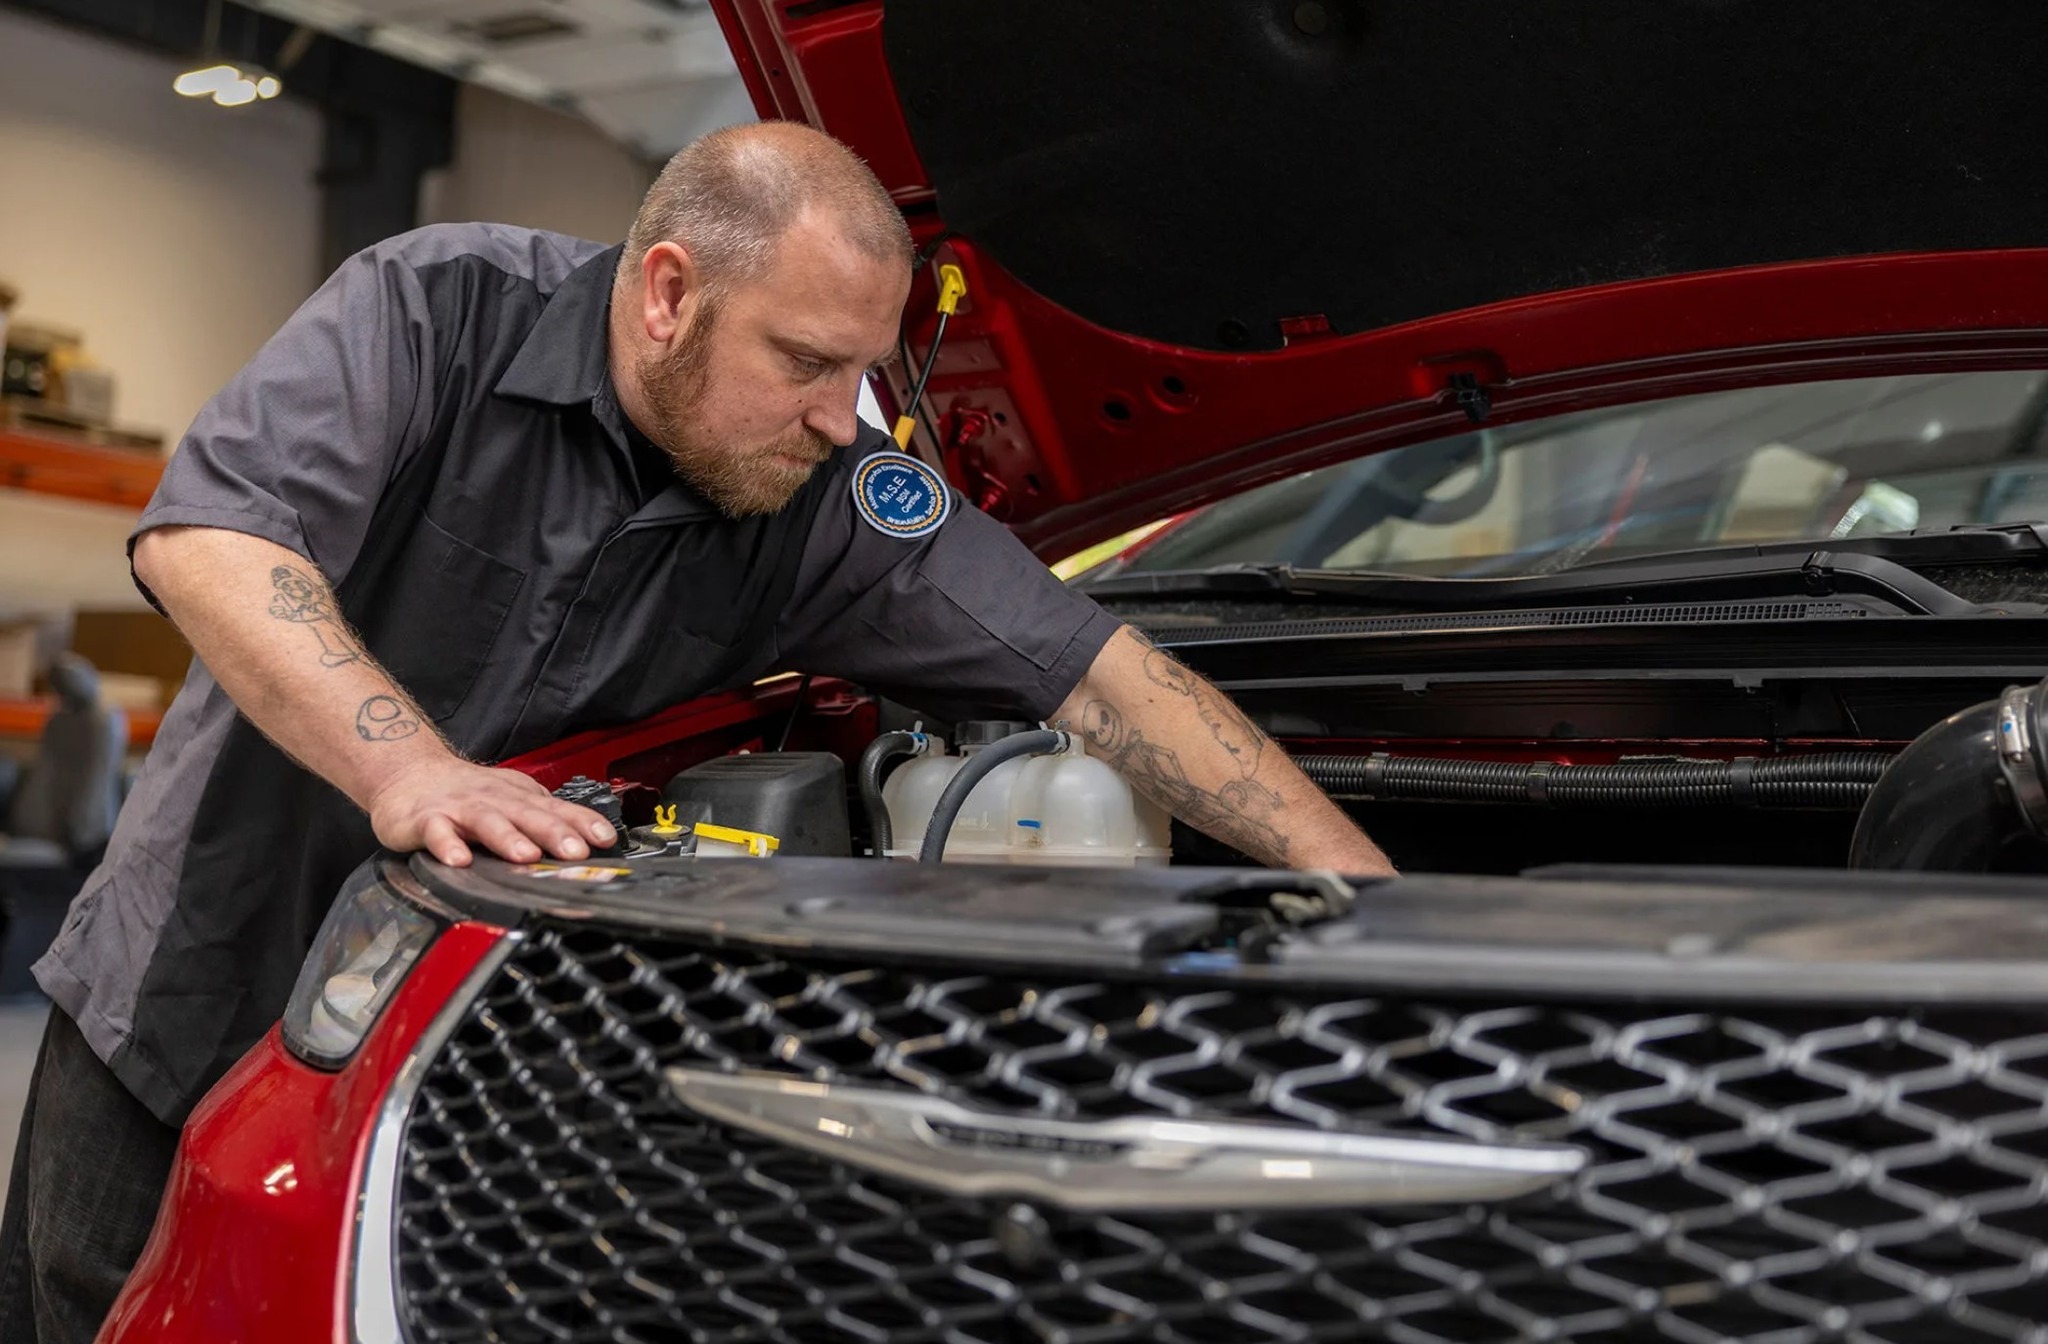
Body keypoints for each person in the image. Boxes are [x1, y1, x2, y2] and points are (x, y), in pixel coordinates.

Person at [0, 120, 1393, 1341]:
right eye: (804, 360)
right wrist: (410, 767)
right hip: (190, 999)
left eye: (862, 370)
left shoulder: (832, 495)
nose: (842, 419)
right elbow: (213, 539)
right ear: (668, 293)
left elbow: (1100, 676)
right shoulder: (435, 311)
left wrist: (1363, 904)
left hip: (473, 1072)